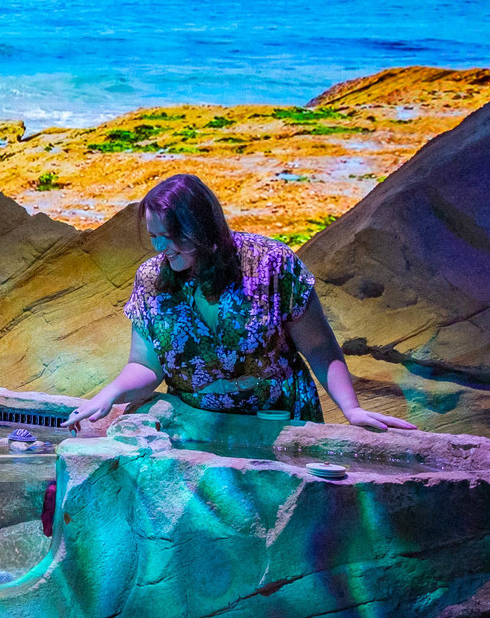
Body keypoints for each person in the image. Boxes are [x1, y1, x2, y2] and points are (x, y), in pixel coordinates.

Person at [67, 173, 414, 431]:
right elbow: (145, 366)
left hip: (280, 424)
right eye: (154, 237)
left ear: (202, 229)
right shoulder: (152, 279)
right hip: (198, 428)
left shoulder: (272, 264)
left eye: (170, 238)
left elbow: (320, 347)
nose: (160, 249)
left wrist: (351, 409)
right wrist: (110, 393)